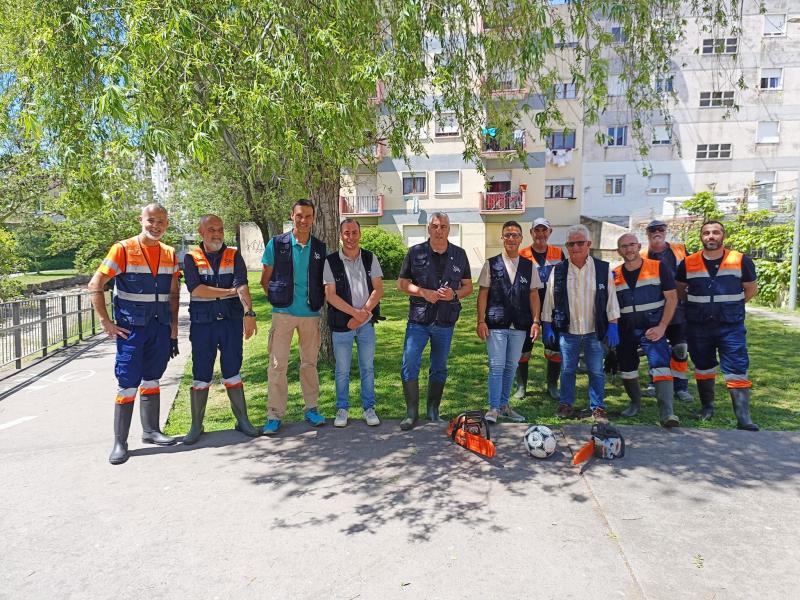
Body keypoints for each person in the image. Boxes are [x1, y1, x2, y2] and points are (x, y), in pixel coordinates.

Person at [88, 203, 181, 465]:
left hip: (159, 327)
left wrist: (173, 325)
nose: (156, 226)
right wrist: (105, 321)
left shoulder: (170, 253)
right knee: (128, 382)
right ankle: (120, 442)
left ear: (167, 223)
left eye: (161, 221)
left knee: (152, 379)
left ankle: (151, 431)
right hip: (131, 329)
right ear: (141, 220)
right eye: (151, 220)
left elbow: (173, 292)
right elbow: (95, 284)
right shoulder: (123, 249)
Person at [181, 214, 260, 444]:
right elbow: (196, 290)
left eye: (220, 229)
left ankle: (242, 420)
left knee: (232, 369)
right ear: (201, 232)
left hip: (230, 321)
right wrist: (228, 292)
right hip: (203, 324)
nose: (217, 233)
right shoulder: (190, 257)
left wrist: (249, 313)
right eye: (211, 229)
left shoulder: (234, 255)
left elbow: (242, 284)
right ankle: (197, 425)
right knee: (201, 373)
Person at [675, 220, 759, 431]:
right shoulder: (688, 262)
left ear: (723, 236)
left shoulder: (740, 260)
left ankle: (743, 417)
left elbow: (750, 289)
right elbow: (680, 290)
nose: (711, 236)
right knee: (703, 366)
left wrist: (729, 306)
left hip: (730, 325)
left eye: (715, 232)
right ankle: (707, 408)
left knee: (737, 367)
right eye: (706, 233)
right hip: (698, 325)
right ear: (701, 237)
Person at [397, 212, 473, 430]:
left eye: (443, 226)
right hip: (419, 320)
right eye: (435, 226)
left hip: (445, 320)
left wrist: (454, 295)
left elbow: (468, 286)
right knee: (409, 363)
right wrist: (422, 292)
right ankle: (411, 413)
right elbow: (401, 284)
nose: (439, 230)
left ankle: (433, 411)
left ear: (449, 229)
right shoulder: (415, 252)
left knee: (439, 367)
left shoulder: (459, 254)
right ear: (428, 229)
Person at [260, 199, 327, 435]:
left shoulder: (320, 248)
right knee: (277, 365)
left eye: (308, 216)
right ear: (292, 215)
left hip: (310, 314)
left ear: (313, 218)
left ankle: (311, 408)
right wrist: (279, 300)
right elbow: (264, 280)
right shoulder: (277, 244)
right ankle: (274, 415)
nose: (304, 220)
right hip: (283, 314)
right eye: (299, 215)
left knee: (309, 364)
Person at [541, 224, 620, 423]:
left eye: (580, 243)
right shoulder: (558, 271)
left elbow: (611, 299)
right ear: (567, 246)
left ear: (588, 244)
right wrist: (547, 325)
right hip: (568, 331)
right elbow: (549, 300)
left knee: (595, 370)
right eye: (571, 244)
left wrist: (613, 325)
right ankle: (566, 404)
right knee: (567, 370)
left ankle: (598, 407)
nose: (575, 247)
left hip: (594, 331)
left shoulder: (602, 269)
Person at [476, 221, 542, 423]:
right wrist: (481, 321)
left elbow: (534, 295)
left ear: (522, 239)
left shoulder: (529, 266)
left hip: (520, 325)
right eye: (507, 235)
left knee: (511, 366)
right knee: (497, 366)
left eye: (515, 235)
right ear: (502, 238)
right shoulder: (491, 263)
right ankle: (493, 408)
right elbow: (483, 293)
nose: (511, 238)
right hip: (496, 323)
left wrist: (536, 321)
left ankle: (504, 405)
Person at [613, 233, 680, 427]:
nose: (629, 249)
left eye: (632, 245)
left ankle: (667, 412)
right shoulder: (615, 275)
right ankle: (635, 403)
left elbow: (672, 298)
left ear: (639, 246)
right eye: (624, 246)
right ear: (619, 251)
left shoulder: (658, 267)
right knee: (626, 369)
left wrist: (662, 327)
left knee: (660, 365)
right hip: (625, 330)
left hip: (652, 328)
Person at [323, 218, 384, 427]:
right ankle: (342, 409)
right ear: (341, 235)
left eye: (354, 233)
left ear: (360, 234)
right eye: (346, 233)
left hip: (366, 324)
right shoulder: (330, 261)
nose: (350, 237)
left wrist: (363, 314)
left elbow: (378, 289)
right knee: (342, 370)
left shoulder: (370, 258)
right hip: (342, 325)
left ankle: (369, 408)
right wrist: (353, 314)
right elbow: (330, 295)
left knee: (367, 368)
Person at [640, 219, 692, 402]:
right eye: (652, 230)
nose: (657, 232)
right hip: (653, 309)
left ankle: (680, 385)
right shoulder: (642, 255)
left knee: (680, 348)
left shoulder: (680, 250)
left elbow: (691, 274)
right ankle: (654, 382)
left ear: (665, 231)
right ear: (647, 234)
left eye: (660, 229)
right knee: (655, 347)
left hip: (677, 308)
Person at [518, 217, 565, 399]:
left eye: (544, 230)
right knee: (522, 348)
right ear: (531, 233)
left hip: (553, 309)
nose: (540, 234)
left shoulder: (558, 253)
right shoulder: (522, 254)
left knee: (554, 349)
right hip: (527, 308)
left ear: (550, 232)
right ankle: (521, 387)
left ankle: (552, 385)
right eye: (536, 230)